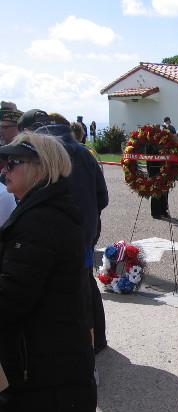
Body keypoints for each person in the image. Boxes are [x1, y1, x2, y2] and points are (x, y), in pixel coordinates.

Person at [0, 132, 97, 412]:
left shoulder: (40, 220)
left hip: (40, 359)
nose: (4, 169)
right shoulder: (44, 210)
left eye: (13, 162)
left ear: (39, 168)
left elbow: (11, 298)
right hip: (49, 351)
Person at [20, 110, 110, 355]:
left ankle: (81, 350)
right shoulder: (84, 153)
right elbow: (102, 197)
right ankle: (97, 341)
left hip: (56, 236)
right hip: (85, 233)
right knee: (86, 284)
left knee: (68, 294)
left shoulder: (38, 154)